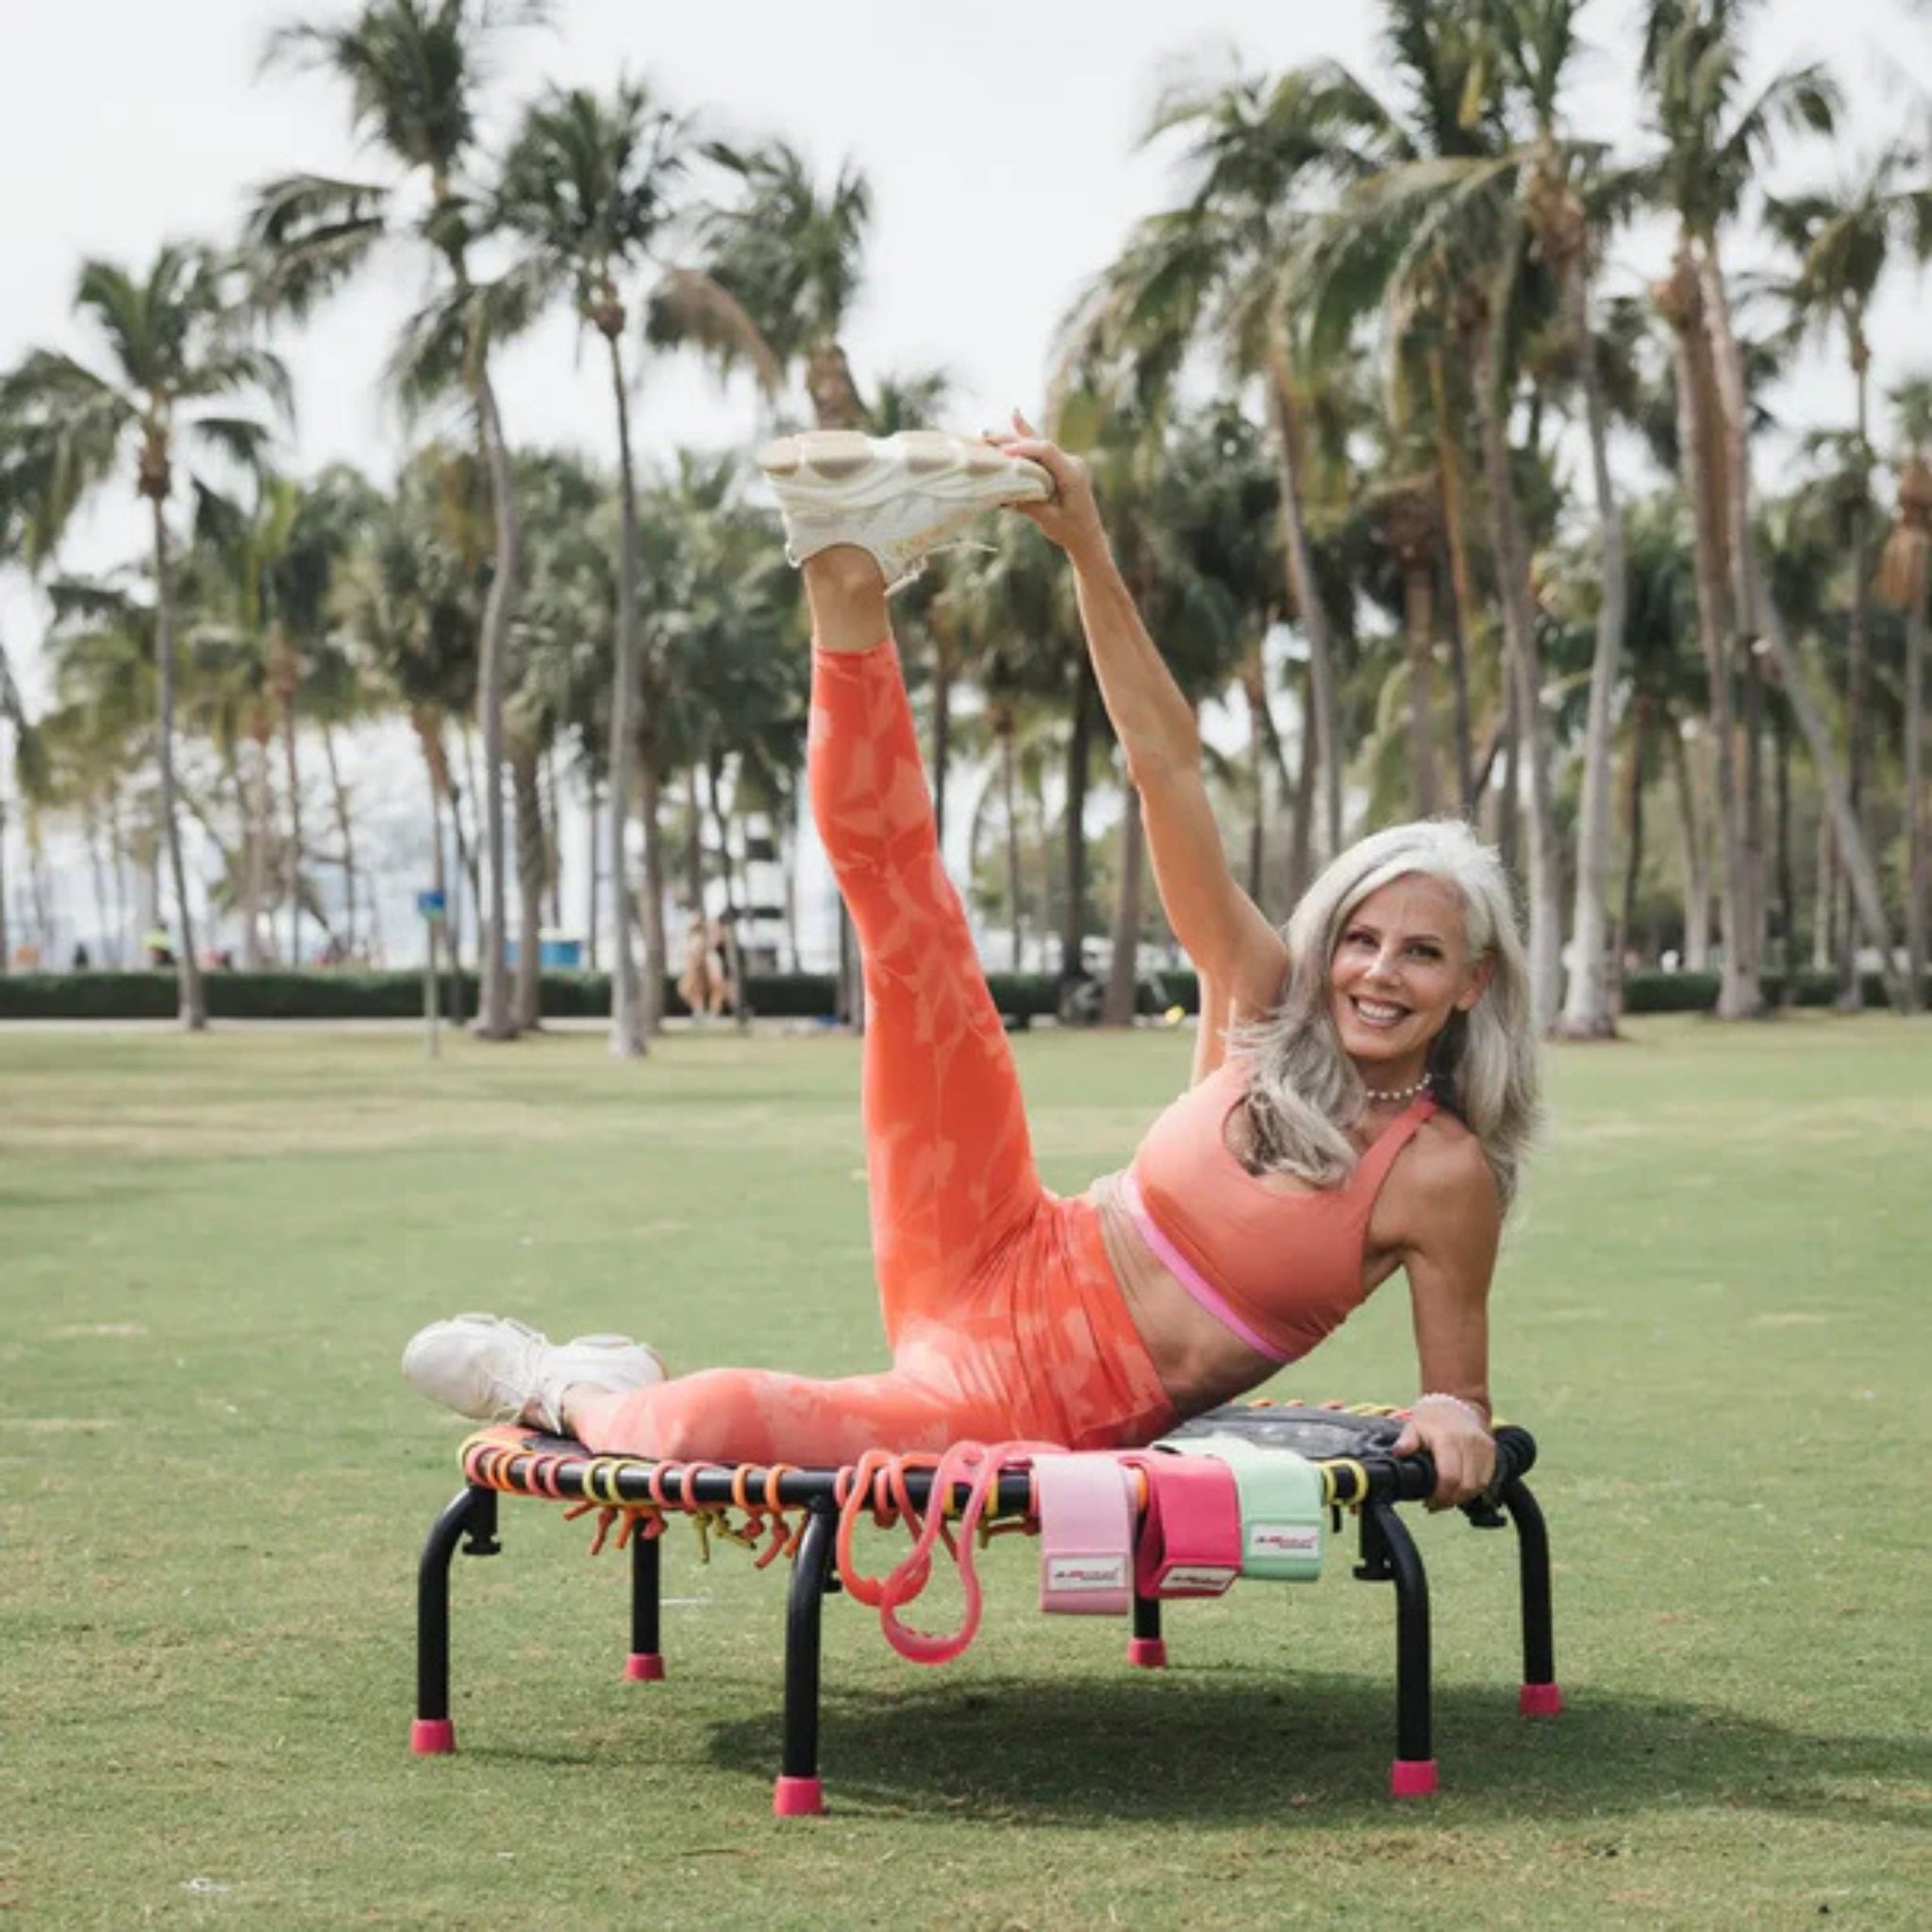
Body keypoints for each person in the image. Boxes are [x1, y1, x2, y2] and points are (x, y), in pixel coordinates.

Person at [404, 422, 1541, 1507]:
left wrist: (1452, 1418)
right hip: (997, 1237)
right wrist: (1083, 545)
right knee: (914, 934)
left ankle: (561, 1380)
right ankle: (842, 571)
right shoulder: (1261, 998)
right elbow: (1166, 768)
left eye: (1421, 952)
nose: (1377, 972)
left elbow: (1457, 1396)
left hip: (1023, 1400)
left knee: (694, 1432)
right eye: (1359, 936)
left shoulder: (1437, 1173)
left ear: (1471, 983)